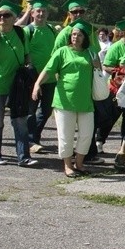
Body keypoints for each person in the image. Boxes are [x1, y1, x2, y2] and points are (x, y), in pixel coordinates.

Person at [32, 19, 99, 177]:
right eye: (73, 34)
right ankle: (68, 166)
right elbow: (48, 69)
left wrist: (97, 64)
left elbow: (99, 73)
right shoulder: (62, 51)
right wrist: (37, 84)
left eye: (79, 35)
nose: (76, 37)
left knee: (86, 135)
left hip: (86, 102)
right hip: (64, 102)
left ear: (85, 38)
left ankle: (80, 164)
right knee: (65, 136)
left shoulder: (90, 53)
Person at [0, 0, 36, 167]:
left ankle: (24, 157)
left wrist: (29, 68)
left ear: (14, 18)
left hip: (18, 85)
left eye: (6, 15)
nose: (2, 18)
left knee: (20, 121)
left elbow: (27, 55)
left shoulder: (21, 34)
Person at [22, 0, 58, 154]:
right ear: (32, 13)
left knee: (46, 110)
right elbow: (25, 53)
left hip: (49, 78)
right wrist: (32, 73)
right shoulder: (27, 31)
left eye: (44, 11)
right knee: (31, 110)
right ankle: (31, 140)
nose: (41, 14)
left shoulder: (51, 30)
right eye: (38, 11)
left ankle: (33, 137)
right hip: (33, 79)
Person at [102, 18, 125, 169]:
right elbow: (106, 66)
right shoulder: (117, 47)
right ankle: (99, 140)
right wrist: (119, 70)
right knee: (111, 117)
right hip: (118, 88)